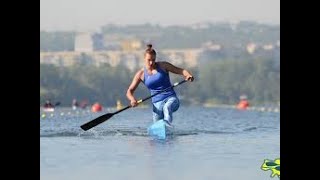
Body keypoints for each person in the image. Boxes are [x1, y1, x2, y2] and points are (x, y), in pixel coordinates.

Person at [126, 44, 194, 126]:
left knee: (167, 108)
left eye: (153, 60)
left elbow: (181, 70)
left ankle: (167, 124)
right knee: (157, 125)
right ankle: (163, 127)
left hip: (171, 99)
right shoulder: (141, 74)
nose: (151, 62)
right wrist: (132, 100)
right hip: (157, 104)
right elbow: (129, 91)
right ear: (144, 59)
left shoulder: (163, 66)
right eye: (149, 60)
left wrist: (188, 75)